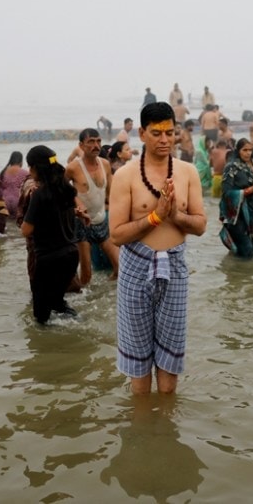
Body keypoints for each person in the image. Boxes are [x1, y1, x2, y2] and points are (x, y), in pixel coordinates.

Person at [108, 102, 207, 395]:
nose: (164, 140)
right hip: (136, 268)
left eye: (169, 132)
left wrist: (174, 215)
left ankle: (164, 429)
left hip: (174, 269)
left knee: (170, 363)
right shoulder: (126, 175)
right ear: (141, 133)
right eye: (156, 133)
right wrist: (154, 217)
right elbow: (116, 235)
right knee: (138, 368)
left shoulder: (187, 172)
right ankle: (142, 430)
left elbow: (200, 225)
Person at [21, 145, 84, 323]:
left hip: (48, 260)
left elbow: (26, 230)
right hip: (71, 256)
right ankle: (78, 328)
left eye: (30, 166)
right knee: (58, 303)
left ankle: (46, 349)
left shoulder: (39, 194)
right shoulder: (66, 188)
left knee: (41, 317)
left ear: (35, 168)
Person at [66, 128, 120, 278]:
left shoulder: (105, 164)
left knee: (119, 268)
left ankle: (106, 298)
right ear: (81, 145)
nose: (96, 145)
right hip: (82, 223)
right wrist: (76, 202)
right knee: (86, 273)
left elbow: (111, 193)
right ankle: (87, 299)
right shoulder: (73, 168)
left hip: (101, 219)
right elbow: (62, 190)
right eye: (91, 142)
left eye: (98, 141)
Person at [219, 138, 253, 258]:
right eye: (244, 150)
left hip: (249, 218)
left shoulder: (248, 167)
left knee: (249, 251)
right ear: (238, 151)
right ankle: (241, 275)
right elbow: (227, 194)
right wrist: (251, 190)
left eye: (250, 150)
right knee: (247, 251)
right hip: (236, 218)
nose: (248, 153)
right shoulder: (230, 167)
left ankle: (236, 273)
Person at [0, 151, 29, 218]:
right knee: (17, 225)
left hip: (5, 201)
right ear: (21, 161)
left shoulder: (3, 172)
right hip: (18, 201)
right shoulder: (25, 173)